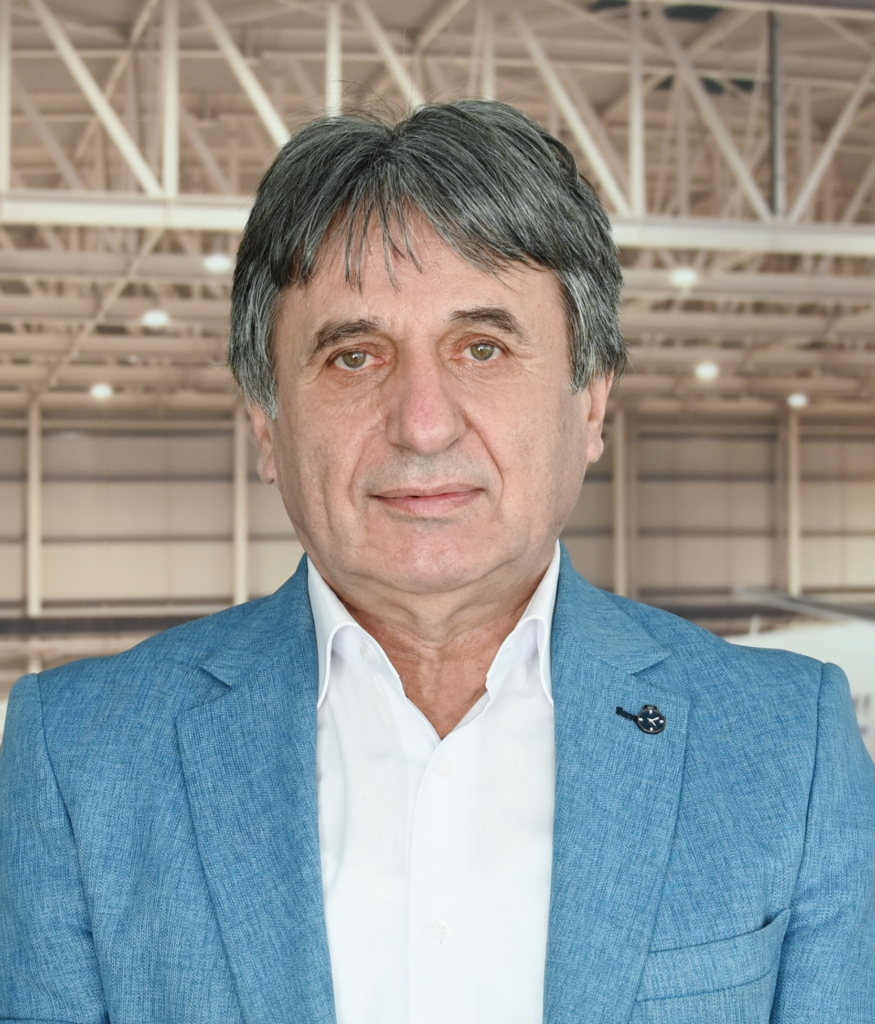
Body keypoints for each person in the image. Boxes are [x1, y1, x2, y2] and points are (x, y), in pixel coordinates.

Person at [1, 101, 873, 1024]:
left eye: (482, 348)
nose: (423, 423)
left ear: (589, 403)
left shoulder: (789, 751)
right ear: (266, 424)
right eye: (353, 357)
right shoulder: (81, 759)